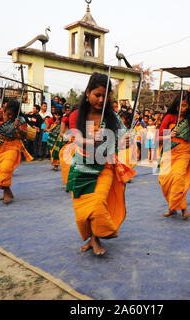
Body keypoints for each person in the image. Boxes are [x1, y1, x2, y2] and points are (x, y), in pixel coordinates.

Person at [66, 72, 135, 256]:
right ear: (88, 93)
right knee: (82, 214)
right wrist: (92, 141)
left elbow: (123, 138)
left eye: (105, 96)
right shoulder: (76, 115)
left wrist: (125, 141)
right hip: (81, 168)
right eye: (97, 95)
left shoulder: (112, 117)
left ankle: (96, 239)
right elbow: (77, 140)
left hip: (105, 168)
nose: (101, 100)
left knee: (97, 204)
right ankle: (91, 238)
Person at [158, 91, 190, 220]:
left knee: (178, 179)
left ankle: (183, 209)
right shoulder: (169, 117)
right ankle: (172, 207)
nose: (181, 109)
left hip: (183, 153)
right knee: (164, 181)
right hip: (167, 152)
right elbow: (157, 138)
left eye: (184, 105)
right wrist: (168, 135)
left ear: (189, 106)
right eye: (179, 105)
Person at [0, 100, 34, 204]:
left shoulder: (20, 120)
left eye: (13, 115)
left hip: (12, 146)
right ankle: (7, 191)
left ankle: (7, 193)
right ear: (4, 110)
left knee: (6, 168)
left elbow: (25, 135)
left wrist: (18, 129)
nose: (10, 117)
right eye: (8, 114)